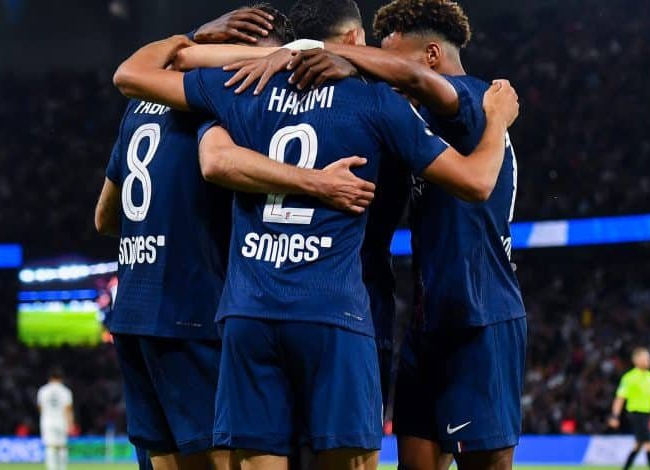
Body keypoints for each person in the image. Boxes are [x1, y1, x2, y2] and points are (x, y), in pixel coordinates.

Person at [112, 28, 518, 470]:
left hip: (249, 312)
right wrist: (497, 119)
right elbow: (474, 181)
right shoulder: (376, 101)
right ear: (352, 39)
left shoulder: (242, 88)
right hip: (335, 312)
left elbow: (139, 76)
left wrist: (190, 40)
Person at [223, 1, 526, 468]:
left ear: (430, 56)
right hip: (429, 321)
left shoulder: (475, 100)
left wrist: (342, 54)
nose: (379, 71)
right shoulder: (412, 120)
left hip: (481, 316)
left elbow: (418, 82)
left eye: (389, 60)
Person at [95, 5, 374, 470]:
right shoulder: (220, 98)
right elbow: (218, 162)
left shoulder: (140, 105)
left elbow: (105, 217)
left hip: (132, 314)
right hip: (192, 310)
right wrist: (316, 183)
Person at [609, 347, 650, 470]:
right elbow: (620, 398)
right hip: (635, 414)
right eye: (646, 358)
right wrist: (615, 416)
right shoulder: (629, 378)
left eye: (648, 358)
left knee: (638, 445)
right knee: (648, 443)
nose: (648, 361)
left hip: (646, 414)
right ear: (636, 360)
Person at [37, 367, 74, 470]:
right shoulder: (65, 391)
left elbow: (40, 408)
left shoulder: (43, 390)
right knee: (62, 446)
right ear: (61, 378)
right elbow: (68, 409)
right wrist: (70, 424)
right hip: (61, 420)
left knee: (50, 446)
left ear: (50, 377)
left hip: (47, 421)